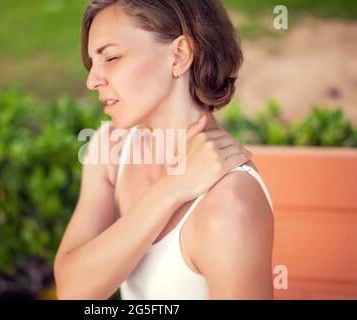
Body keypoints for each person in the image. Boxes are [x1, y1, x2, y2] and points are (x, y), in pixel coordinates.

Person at [54, 0, 274, 300]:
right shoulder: (110, 148)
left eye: (112, 57)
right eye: (92, 63)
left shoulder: (229, 202)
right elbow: (72, 290)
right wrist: (170, 191)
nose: (92, 80)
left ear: (179, 55)